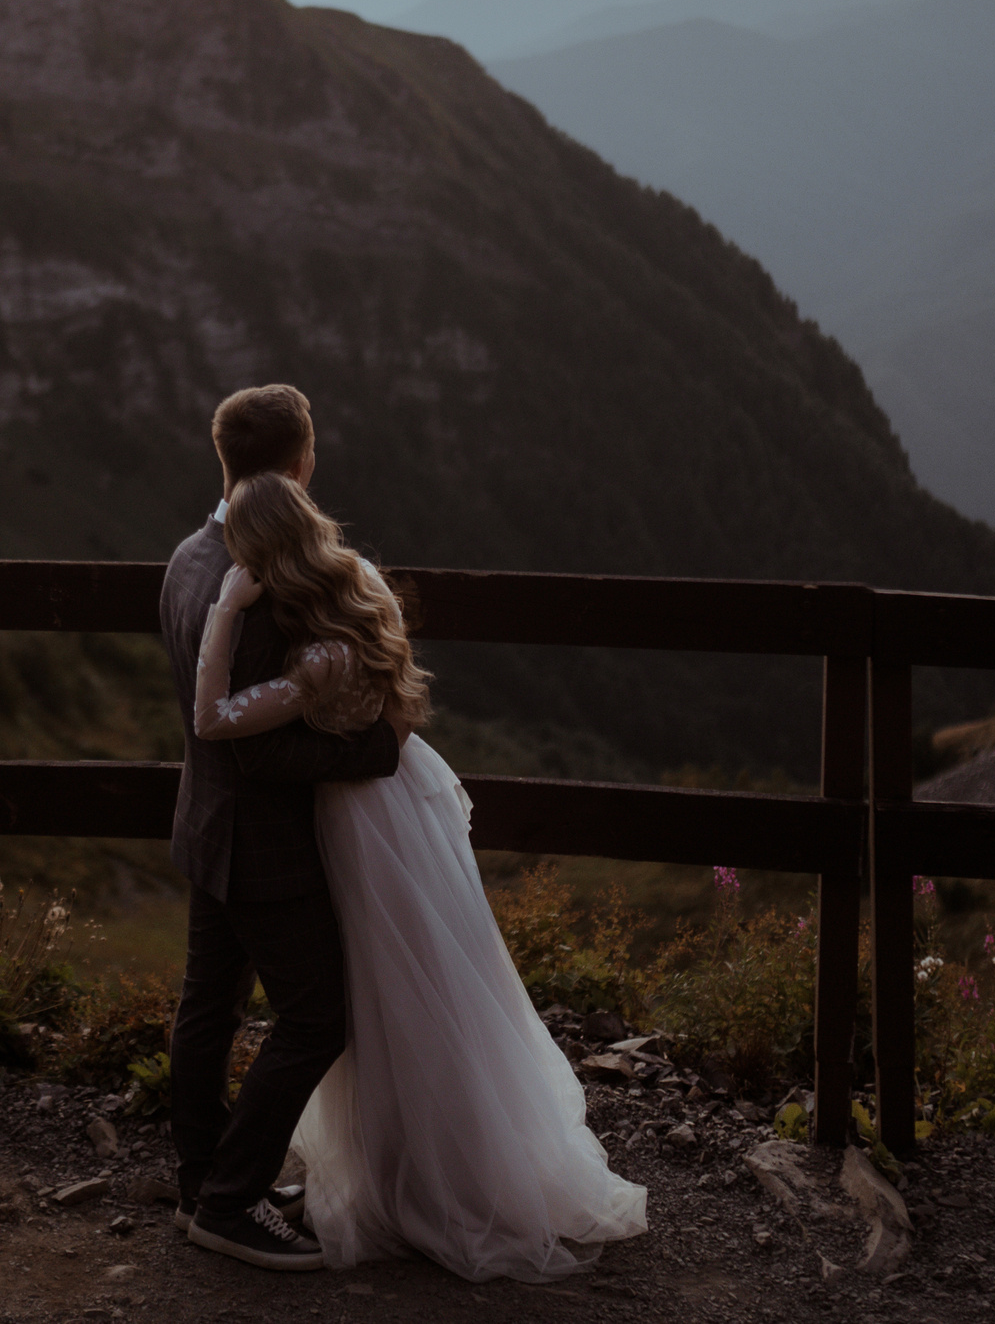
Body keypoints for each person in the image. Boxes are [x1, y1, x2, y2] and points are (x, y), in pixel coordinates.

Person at [184, 470, 651, 1284]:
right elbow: (398, 710)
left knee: (376, 993)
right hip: (405, 803)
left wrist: (225, 610)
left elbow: (214, 720)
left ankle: (375, 1177)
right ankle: (441, 1159)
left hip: (355, 819)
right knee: (428, 979)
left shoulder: (316, 652)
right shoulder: (362, 588)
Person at [159, 384, 412, 1272]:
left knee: (208, 1006)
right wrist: (372, 749)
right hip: (264, 841)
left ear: (224, 464)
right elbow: (260, 755)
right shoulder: (263, 585)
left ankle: (204, 1180)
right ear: (301, 467)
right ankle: (230, 1203)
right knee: (314, 1018)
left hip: (203, 826)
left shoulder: (189, 556)